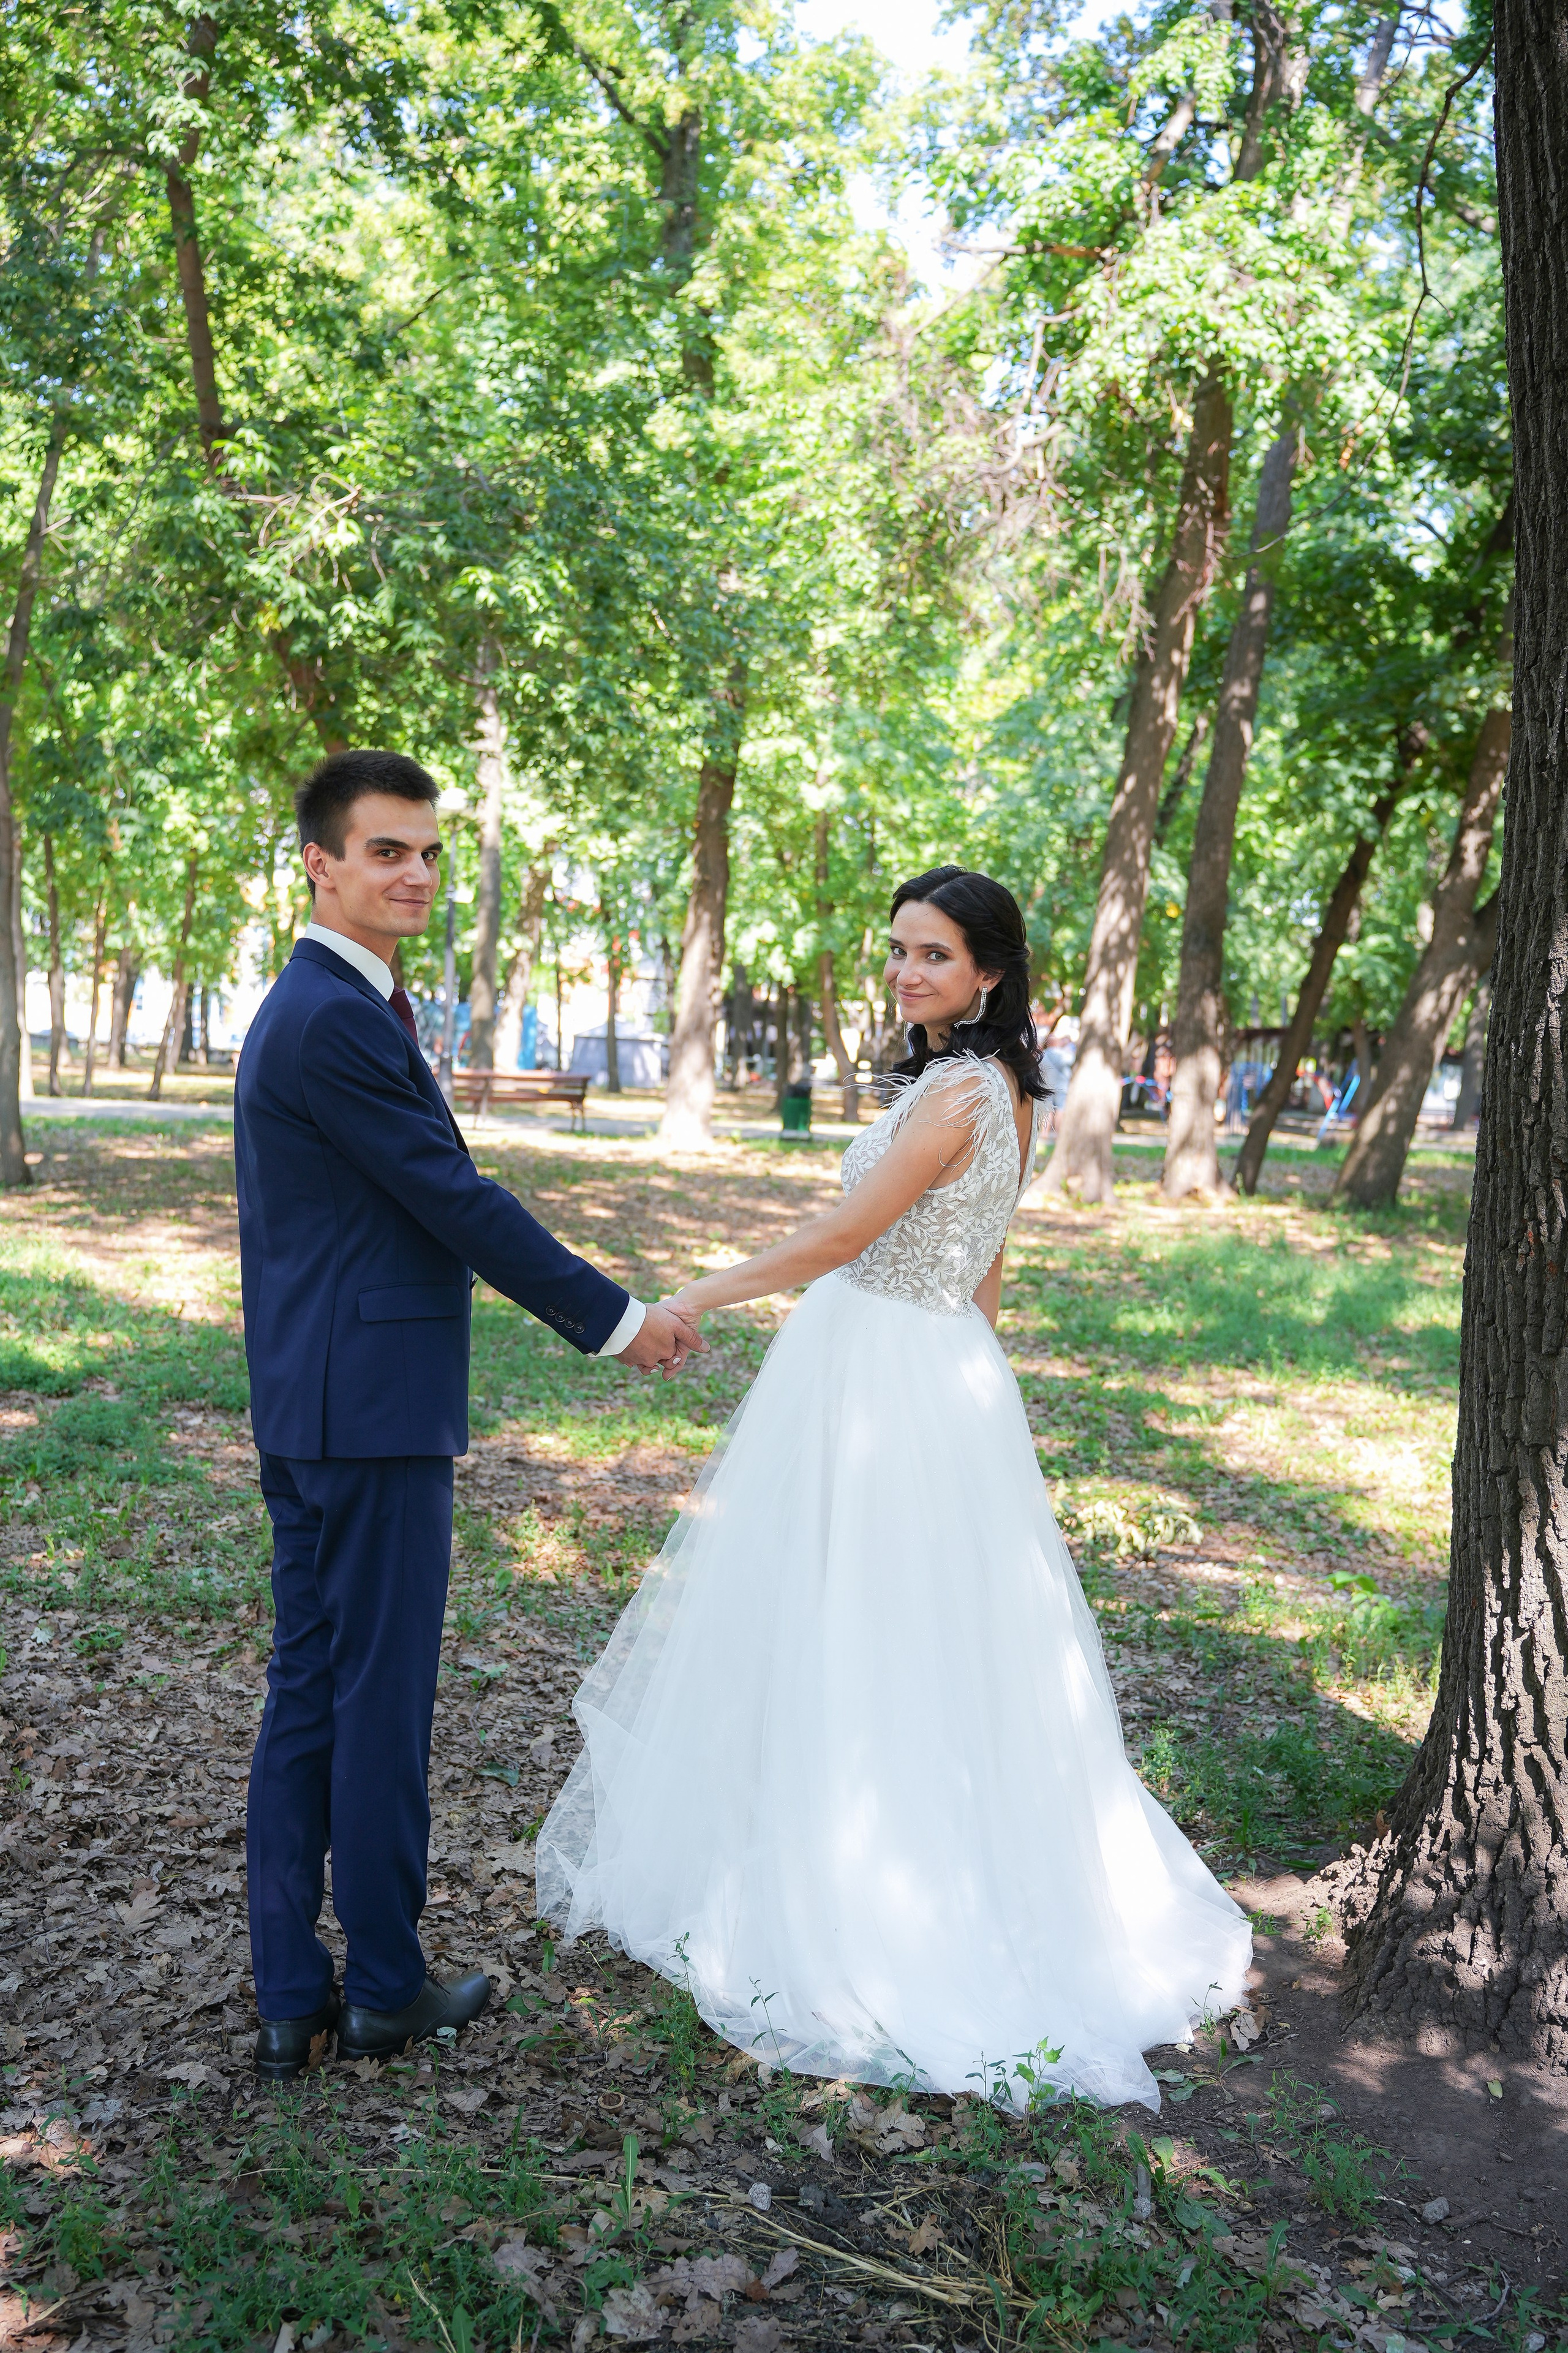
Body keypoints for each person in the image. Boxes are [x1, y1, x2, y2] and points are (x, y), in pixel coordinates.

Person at [537, 866, 1250, 2111]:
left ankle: (881, 1896)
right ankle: (828, 1840)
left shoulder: (965, 1089)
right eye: (900, 952)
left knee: (877, 1624)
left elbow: (840, 1240)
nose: (909, 973)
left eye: (934, 956)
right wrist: (978, 1381)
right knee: (879, 1620)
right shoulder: (990, 1084)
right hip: (924, 1364)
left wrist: (690, 1297)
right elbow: (982, 1270)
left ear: (988, 971)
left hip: (884, 1361)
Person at [235, 749, 701, 2082]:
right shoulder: (329, 1014)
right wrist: (615, 1319)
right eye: (387, 850)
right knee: (372, 1701)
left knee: (312, 1694)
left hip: (318, 1400)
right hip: (366, 1416)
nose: (418, 874)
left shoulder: (333, 1002)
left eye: (429, 850)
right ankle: (378, 1981)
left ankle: (291, 1988)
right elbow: (457, 1198)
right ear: (319, 863)